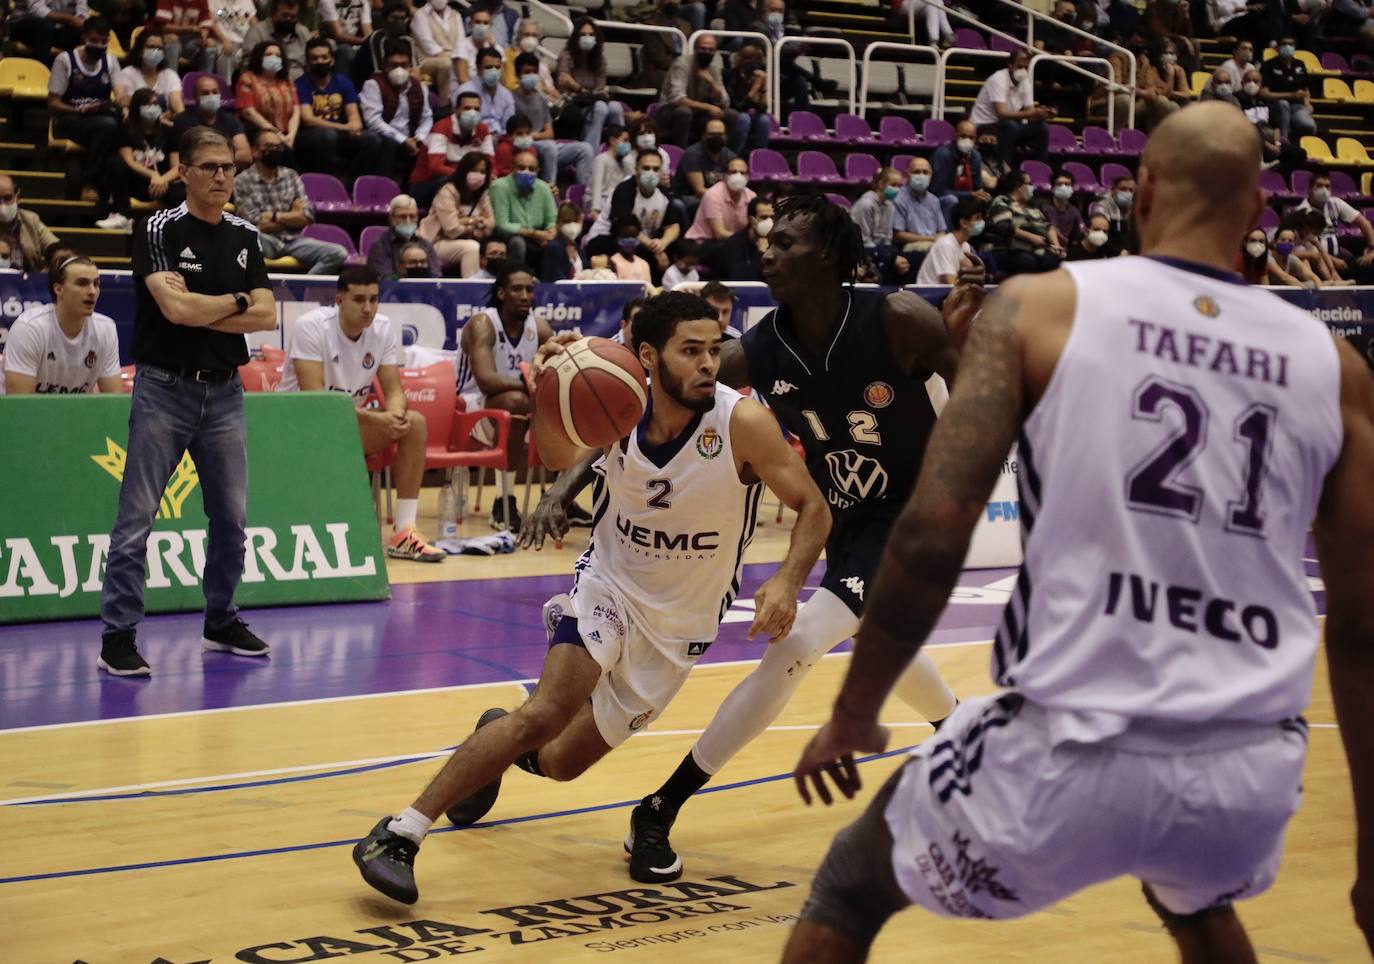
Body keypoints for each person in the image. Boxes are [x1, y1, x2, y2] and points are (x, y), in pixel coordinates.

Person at [782, 100, 1366, 964]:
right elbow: (1360, 630)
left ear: (1144, 190)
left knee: (851, 880)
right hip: (1247, 782)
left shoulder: (1041, 308)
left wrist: (856, 711)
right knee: (1193, 892)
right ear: (1258, 210)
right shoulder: (1336, 366)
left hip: (1063, 759)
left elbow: (932, 535)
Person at [524, 196, 971, 884]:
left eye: (785, 242)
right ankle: (962, 731)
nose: (767, 251)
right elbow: (645, 407)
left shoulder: (897, 318)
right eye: (766, 239)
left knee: (797, 644)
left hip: (915, 518)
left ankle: (659, 808)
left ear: (825, 253)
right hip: (843, 513)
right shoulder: (761, 348)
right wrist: (566, 483)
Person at [352, 290, 831, 905]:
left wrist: (789, 579)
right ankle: (401, 833)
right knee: (548, 711)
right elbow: (552, 455)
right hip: (609, 584)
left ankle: (495, 742)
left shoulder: (742, 423)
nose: (709, 363)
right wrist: (554, 388)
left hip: (679, 625)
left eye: (715, 349)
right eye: (692, 351)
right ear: (650, 357)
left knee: (559, 762)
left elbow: (813, 507)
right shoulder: (616, 405)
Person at [98, 126, 277, 677]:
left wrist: (211, 302)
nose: (222, 176)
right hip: (165, 389)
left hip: (226, 390)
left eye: (229, 168)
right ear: (185, 173)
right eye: (210, 167)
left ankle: (220, 621)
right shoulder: (157, 228)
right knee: (136, 518)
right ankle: (118, 636)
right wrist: (235, 302)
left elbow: (267, 315)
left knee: (231, 518)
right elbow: (173, 312)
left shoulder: (246, 235)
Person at [276, 266, 446, 562]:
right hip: (298, 428)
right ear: (339, 300)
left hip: (344, 426)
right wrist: (375, 418)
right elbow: (317, 402)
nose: (368, 308)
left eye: (373, 299)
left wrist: (393, 415)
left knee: (414, 423)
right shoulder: (311, 326)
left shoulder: (382, 329)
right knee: (336, 419)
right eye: (358, 299)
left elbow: (394, 390)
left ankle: (404, 532)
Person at [454, 261, 554, 530]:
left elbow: (558, 375)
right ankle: (504, 500)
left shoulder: (540, 328)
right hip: (469, 412)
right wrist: (533, 385)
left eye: (529, 290)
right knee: (516, 402)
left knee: (568, 404)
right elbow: (486, 381)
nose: (525, 296)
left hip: (518, 409)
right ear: (501, 293)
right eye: (517, 289)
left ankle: (559, 499)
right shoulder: (483, 324)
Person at [233, 128, 349, 275]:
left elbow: (307, 216)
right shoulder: (241, 181)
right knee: (248, 239)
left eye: (278, 147)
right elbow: (253, 223)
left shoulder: (291, 176)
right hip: (263, 241)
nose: (275, 150)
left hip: (293, 241)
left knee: (338, 253)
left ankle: (303, 289)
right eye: (269, 146)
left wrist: (275, 216)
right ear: (256, 151)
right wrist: (292, 215)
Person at [0, 256, 121, 396]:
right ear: (58, 289)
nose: (92, 291)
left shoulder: (106, 329)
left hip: (74, 415)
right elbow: (19, 407)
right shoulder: (30, 328)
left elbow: (114, 402)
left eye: (96, 284)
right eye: (82, 283)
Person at [49, 18, 122, 205]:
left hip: (98, 118)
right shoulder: (65, 60)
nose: (99, 45)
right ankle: (90, 183)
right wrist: (81, 110)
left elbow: (121, 95)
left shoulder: (111, 61)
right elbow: (53, 104)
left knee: (120, 123)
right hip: (69, 118)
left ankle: (114, 185)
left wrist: (127, 106)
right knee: (107, 126)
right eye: (94, 40)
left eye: (104, 41)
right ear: (84, 38)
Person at [658, 33, 764, 156]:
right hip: (669, 111)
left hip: (698, 113)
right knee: (684, 112)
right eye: (703, 48)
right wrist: (708, 107)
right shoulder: (682, 63)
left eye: (710, 50)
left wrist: (712, 83)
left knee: (732, 115)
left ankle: (723, 155)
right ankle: (680, 154)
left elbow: (725, 101)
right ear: (696, 49)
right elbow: (677, 99)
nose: (707, 52)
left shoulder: (713, 67)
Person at [295, 37, 383, 179]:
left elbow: (353, 114)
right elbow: (308, 120)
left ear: (332, 60)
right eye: (314, 58)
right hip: (310, 136)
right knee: (328, 136)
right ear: (307, 62)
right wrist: (344, 128)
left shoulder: (343, 81)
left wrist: (355, 126)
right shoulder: (301, 84)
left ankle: (354, 186)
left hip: (340, 133)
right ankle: (322, 184)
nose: (320, 61)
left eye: (324, 57)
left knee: (371, 139)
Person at [585, 149, 683, 274]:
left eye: (655, 169)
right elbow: (626, 228)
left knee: (678, 249)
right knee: (637, 251)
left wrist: (663, 243)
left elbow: (673, 226)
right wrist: (655, 249)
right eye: (646, 168)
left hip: (645, 242)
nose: (651, 173)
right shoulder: (624, 189)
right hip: (610, 238)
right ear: (636, 169)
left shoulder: (664, 193)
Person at [101, 88, 186, 232]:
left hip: (162, 185)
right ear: (137, 108)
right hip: (137, 182)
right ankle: (122, 215)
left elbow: (176, 167)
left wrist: (163, 179)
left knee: (184, 192)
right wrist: (152, 175)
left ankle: (179, 228)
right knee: (115, 163)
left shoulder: (170, 132)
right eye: (148, 105)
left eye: (155, 104)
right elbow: (129, 161)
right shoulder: (125, 130)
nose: (153, 108)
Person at [360, 41, 435, 184]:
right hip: (386, 138)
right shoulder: (373, 85)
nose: (399, 69)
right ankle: (382, 189)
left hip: (412, 139)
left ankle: (417, 193)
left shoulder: (419, 87)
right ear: (385, 66)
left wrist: (419, 137)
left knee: (432, 144)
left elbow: (427, 118)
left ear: (410, 66)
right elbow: (373, 121)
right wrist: (403, 139)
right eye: (394, 65)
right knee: (388, 144)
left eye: (403, 65)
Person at [512, 53, 592, 187]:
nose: (531, 75)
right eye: (527, 72)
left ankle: (581, 195)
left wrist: (534, 135)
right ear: (518, 74)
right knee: (550, 147)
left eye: (534, 72)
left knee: (585, 148)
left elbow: (550, 133)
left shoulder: (541, 98)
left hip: (542, 145)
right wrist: (528, 138)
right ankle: (550, 192)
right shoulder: (511, 98)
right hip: (523, 146)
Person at [968, 48, 1053, 170]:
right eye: (1019, 67)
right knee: (1010, 126)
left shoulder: (1025, 82)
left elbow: (1030, 111)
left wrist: (1042, 114)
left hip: (1008, 126)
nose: (1023, 71)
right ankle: (1003, 169)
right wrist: (1031, 113)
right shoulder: (998, 79)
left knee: (1041, 128)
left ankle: (1040, 170)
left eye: (1026, 67)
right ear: (1010, 66)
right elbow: (1001, 113)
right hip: (984, 126)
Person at [419, 152, 494, 277]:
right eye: (473, 170)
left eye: (482, 172)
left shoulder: (482, 195)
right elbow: (452, 229)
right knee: (471, 248)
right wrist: (474, 222)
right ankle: (471, 291)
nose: (478, 175)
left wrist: (463, 221)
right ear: (463, 171)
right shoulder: (447, 192)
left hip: (466, 240)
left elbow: (490, 225)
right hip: (436, 242)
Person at [556, 18, 625, 150]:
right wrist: (586, 93)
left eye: (591, 35)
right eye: (583, 34)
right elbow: (563, 86)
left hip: (591, 100)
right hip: (573, 104)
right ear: (576, 37)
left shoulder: (600, 60)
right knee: (600, 107)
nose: (587, 38)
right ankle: (590, 151)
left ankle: (620, 148)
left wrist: (578, 88)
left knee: (616, 107)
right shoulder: (566, 56)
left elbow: (600, 90)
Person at [986, 169, 1064, 277]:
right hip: (1007, 250)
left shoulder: (1032, 206)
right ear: (1019, 186)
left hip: (1035, 250)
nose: (1032, 187)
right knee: (1027, 261)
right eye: (1029, 183)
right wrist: (1031, 238)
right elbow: (1004, 227)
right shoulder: (1002, 201)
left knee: (1053, 260)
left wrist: (1056, 246)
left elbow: (1048, 227)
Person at [490, 149, 556, 270]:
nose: (526, 172)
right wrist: (534, 234)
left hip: (538, 233)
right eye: (521, 167)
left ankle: (549, 284)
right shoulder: (500, 187)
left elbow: (552, 219)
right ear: (512, 168)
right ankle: (515, 276)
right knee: (518, 242)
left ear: (537, 171)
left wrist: (549, 233)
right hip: (509, 235)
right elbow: (502, 224)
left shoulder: (543, 187)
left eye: (531, 169)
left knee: (555, 245)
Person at [1295, 171, 1374, 269]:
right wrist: (1332, 260)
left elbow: (1364, 223)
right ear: (1310, 189)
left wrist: (1372, 248)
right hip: (1317, 261)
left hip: (1337, 256)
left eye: (1327, 186)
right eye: (1319, 186)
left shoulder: (1335, 203)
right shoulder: (1302, 211)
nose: (1324, 190)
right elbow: (1309, 248)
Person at [172, 74, 252, 169]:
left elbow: (246, 155)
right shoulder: (183, 120)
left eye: (215, 92)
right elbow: (184, 159)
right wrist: (226, 159)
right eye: (205, 93)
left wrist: (212, 161)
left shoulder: (229, 119)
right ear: (195, 97)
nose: (211, 96)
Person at [236, 40, 301, 148]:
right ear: (260, 57)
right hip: (258, 130)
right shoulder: (248, 78)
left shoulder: (287, 80)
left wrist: (291, 135)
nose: (273, 58)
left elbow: (296, 110)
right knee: (275, 146)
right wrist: (276, 133)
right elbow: (248, 112)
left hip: (287, 132)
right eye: (269, 54)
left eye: (278, 55)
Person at [930, 120, 989, 228]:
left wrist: (981, 195)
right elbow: (938, 190)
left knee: (986, 200)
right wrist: (969, 195)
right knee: (951, 200)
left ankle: (977, 240)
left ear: (975, 138)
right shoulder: (942, 155)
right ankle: (950, 237)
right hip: (942, 199)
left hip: (967, 198)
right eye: (963, 136)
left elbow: (978, 186)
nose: (967, 140)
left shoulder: (976, 156)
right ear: (955, 135)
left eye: (971, 137)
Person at [674, 116, 736, 219]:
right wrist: (725, 199)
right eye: (712, 134)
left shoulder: (731, 156)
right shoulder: (692, 154)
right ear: (704, 136)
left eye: (720, 134)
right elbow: (699, 191)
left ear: (726, 137)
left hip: (717, 197)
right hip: (690, 197)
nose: (716, 138)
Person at [113, 25, 185, 115]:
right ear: (140, 51)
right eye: (150, 47)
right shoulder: (127, 73)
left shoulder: (170, 75)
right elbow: (125, 101)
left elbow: (176, 101)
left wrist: (182, 117)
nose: (155, 51)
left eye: (159, 48)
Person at [366, 194, 440, 280]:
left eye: (412, 216)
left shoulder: (425, 245)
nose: (408, 221)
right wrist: (404, 279)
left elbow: (435, 276)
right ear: (391, 218)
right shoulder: (380, 246)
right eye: (402, 216)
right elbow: (385, 279)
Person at [850, 167, 905, 282]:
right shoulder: (865, 205)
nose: (897, 189)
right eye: (893, 185)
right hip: (862, 251)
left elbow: (887, 238)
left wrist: (891, 255)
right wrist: (889, 257)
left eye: (899, 186)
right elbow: (863, 240)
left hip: (879, 250)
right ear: (880, 184)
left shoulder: (890, 206)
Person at [915, 195, 985, 284]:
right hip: (927, 295)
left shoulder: (965, 246)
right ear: (963, 222)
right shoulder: (945, 244)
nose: (982, 222)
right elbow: (950, 284)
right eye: (977, 218)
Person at [686, 157, 755, 244]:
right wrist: (748, 238)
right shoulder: (713, 195)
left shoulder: (752, 196)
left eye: (742, 173)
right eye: (733, 172)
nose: (738, 176)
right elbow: (719, 234)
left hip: (734, 242)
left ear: (748, 177)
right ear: (725, 175)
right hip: (706, 242)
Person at [0, 175, 60, 274]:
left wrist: (51, 267)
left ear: (17, 197)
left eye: (7, 198)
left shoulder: (30, 220)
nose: (2, 205)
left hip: (29, 282)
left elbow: (55, 247)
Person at [1260, 36, 1317, 140]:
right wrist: (1290, 95)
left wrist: (1308, 103)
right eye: (1284, 44)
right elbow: (1263, 93)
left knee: (1310, 127)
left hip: (1296, 107)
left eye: (1291, 44)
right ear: (1277, 47)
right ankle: (1283, 140)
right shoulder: (1268, 65)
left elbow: (1305, 88)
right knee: (1283, 104)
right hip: (1274, 106)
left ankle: (1291, 134)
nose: (1288, 47)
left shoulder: (1300, 64)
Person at [704, 197, 772, 282]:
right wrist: (760, 253)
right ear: (751, 220)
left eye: (772, 217)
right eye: (764, 217)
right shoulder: (734, 243)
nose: (770, 222)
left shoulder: (775, 241)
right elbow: (741, 279)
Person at [410, 0, 466, 103]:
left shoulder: (455, 14)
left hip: (453, 56)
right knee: (446, 64)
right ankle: (444, 103)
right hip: (427, 60)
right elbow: (428, 45)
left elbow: (460, 42)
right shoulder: (421, 14)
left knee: (466, 62)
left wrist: (459, 59)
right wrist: (452, 58)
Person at [240, 0, 311, 80]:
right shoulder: (257, 31)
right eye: (284, 15)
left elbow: (311, 62)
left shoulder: (303, 32)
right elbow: (247, 64)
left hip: (300, 83)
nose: (288, 19)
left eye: (293, 16)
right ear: (273, 14)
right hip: (267, 81)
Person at [893, 156, 945, 263]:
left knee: (965, 247)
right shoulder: (899, 198)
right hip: (909, 245)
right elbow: (898, 235)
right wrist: (932, 239)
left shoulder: (933, 200)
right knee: (938, 250)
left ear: (931, 176)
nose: (921, 175)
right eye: (917, 172)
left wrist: (939, 238)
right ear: (907, 175)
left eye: (925, 172)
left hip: (933, 242)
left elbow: (942, 231)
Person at [459, 48, 516, 139]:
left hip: (500, 140)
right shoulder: (464, 91)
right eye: (488, 67)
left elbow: (508, 127)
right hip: (474, 138)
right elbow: (462, 124)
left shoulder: (506, 94)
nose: (494, 71)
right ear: (478, 68)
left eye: (497, 67)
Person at [640, 0, 693, 96]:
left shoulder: (686, 26)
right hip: (660, 70)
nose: (672, 1)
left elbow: (691, 52)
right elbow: (658, 58)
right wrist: (680, 67)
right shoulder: (651, 25)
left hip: (683, 68)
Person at [152, 0, 221, 73]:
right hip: (164, 40)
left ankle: (205, 81)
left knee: (209, 47)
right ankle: (171, 80)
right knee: (172, 42)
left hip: (188, 43)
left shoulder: (202, 1)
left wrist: (203, 38)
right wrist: (188, 29)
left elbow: (205, 26)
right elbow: (163, 26)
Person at [10, 0, 88, 64]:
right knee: (45, 26)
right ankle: (39, 71)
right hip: (24, 23)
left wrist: (80, 19)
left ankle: (76, 75)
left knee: (88, 30)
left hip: (55, 27)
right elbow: (37, 10)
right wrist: (71, 19)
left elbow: (82, 10)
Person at [588, 125, 632, 223]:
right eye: (625, 140)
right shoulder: (601, 159)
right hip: (596, 201)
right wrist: (595, 209)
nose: (628, 144)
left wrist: (628, 160)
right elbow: (597, 185)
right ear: (612, 140)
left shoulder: (622, 163)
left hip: (611, 201)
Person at [318, 0, 371, 78]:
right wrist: (365, 41)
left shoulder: (362, 2)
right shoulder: (327, 2)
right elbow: (339, 35)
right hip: (331, 42)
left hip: (356, 42)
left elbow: (368, 31)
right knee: (345, 50)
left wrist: (371, 42)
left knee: (371, 50)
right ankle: (341, 85)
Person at [540, 202, 586, 282]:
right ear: (558, 223)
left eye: (575, 221)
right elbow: (556, 279)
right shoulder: (553, 247)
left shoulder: (578, 249)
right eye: (567, 221)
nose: (572, 225)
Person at [1090, 174, 1136, 252]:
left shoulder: (1134, 208)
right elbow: (1100, 237)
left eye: (1131, 190)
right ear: (1113, 190)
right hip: (1107, 250)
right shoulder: (1102, 206)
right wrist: (1118, 252)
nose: (1127, 193)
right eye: (1123, 189)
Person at [1041, 170, 1085, 250]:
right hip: (1048, 248)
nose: (1063, 187)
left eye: (1067, 184)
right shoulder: (1044, 208)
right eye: (1059, 184)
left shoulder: (1074, 210)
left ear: (1072, 188)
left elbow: (1078, 234)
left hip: (1068, 249)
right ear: (1052, 188)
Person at [608, 214, 653, 282]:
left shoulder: (644, 264)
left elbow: (649, 288)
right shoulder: (613, 263)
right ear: (617, 239)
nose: (630, 241)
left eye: (633, 236)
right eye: (626, 237)